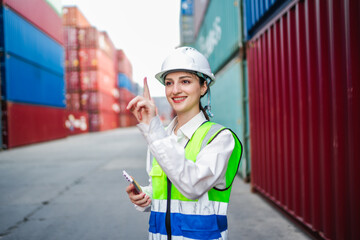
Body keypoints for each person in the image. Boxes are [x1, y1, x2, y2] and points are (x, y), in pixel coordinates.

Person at [126, 47, 242, 240]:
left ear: (204, 86)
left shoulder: (219, 138)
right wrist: (144, 196)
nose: (175, 90)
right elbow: (164, 193)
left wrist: (153, 130)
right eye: (169, 83)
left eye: (185, 81)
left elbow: (192, 186)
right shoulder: (162, 137)